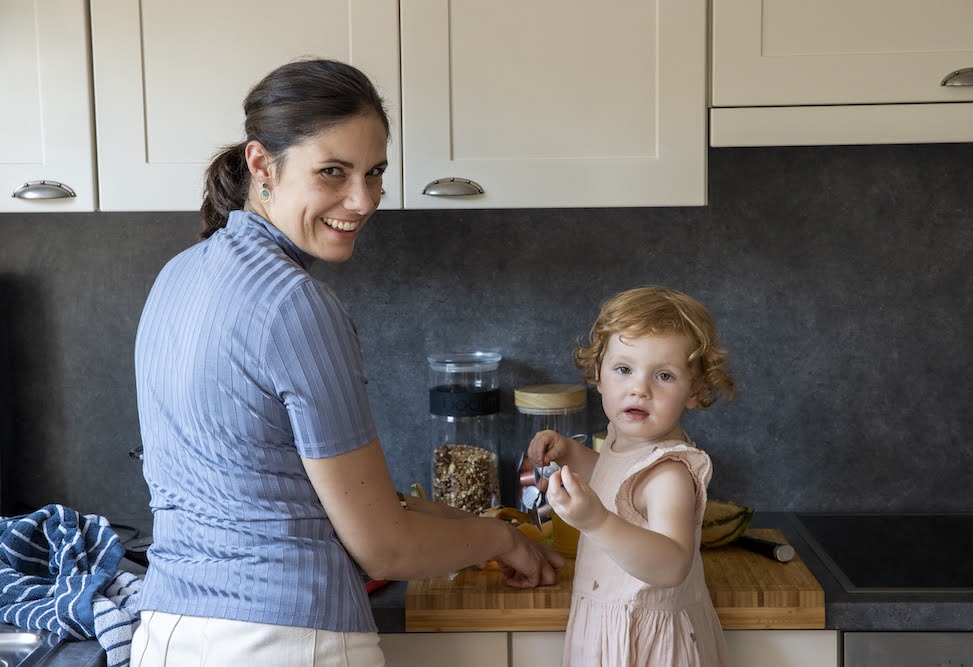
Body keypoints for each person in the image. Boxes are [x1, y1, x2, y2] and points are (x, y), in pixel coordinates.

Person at [131, 58, 563, 667]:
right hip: (282, 641)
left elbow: (296, 496)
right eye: (332, 172)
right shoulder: (294, 304)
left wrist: (485, 532)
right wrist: (499, 539)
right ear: (262, 166)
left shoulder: (178, 276)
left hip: (168, 635)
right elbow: (383, 547)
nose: (362, 202)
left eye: (375, 173)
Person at [528, 286, 736, 666]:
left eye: (664, 376)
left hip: (647, 647)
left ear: (695, 391)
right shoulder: (623, 444)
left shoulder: (669, 473)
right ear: (598, 376)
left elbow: (672, 565)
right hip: (609, 631)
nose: (640, 389)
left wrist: (595, 521)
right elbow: (620, 484)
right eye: (624, 369)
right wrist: (571, 455)